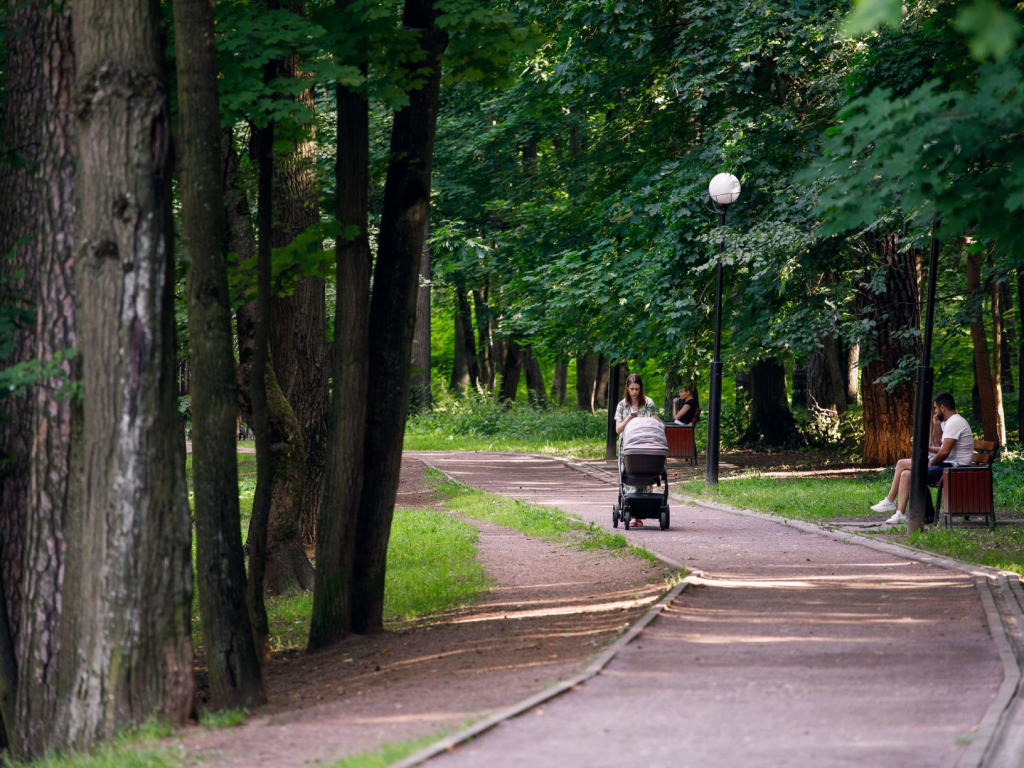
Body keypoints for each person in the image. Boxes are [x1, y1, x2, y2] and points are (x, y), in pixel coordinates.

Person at [870, 392, 974, 525]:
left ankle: (890, 501)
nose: (935, 411)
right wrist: (930, 445)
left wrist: (931, 462)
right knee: (907, 474)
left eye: (936, 408)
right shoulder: (949, 422)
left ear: (943, 408)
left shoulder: (955, 422)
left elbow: (944, 453)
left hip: (956, 467)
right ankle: (901, 513)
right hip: (949, 464)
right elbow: (943, 447)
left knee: (904, 465)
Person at [615, 374, 659, 526]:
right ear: (627, 388)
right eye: (632, 389)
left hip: (646, 443)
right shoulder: (622, 405)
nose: (635, 392)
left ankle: (644, 510)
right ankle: (633, 513)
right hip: (629, 445)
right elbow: (618, 429)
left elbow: (654, 419)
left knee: (647, 475)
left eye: (637, 389)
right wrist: (629, 419)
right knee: (631, 476)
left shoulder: (648, 403)